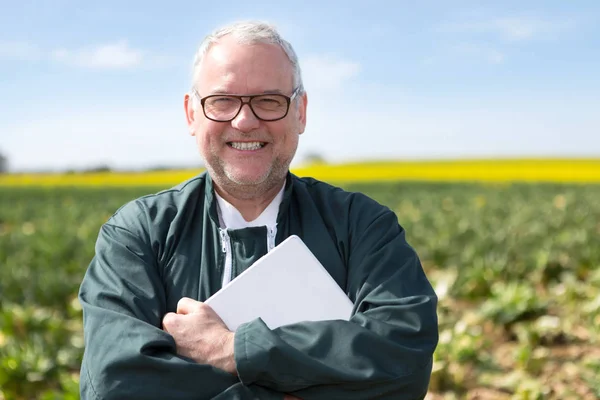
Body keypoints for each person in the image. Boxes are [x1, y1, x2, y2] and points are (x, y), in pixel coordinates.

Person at [78, 21, 439, 400]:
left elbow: (403, 357)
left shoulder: (363, 226)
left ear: (300, 111)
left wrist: (233, 350)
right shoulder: (137, 235)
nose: (245, 121)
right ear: (191, 114)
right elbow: (114, 384)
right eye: (222, 101)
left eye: (269, 100)